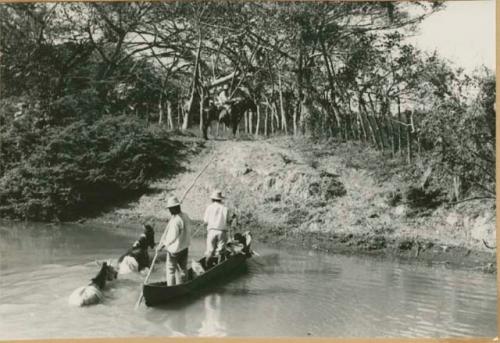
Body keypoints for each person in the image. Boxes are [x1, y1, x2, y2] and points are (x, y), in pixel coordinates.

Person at [157, 196, 191, 286]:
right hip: (185, 247)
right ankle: (184, 284)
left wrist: (162, 245)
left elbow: (172, 237)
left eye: (170, 209)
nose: (169, 211)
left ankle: (170, 288)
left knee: (170, 270)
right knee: (183, 268)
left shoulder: (176, 220)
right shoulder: (185, 216)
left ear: (174, 208)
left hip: (174, 250)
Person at [203, 190, 232, 266]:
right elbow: (228, 221)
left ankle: (207, 267)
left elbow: (205, 220)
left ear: (212, 199)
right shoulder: (225, 208)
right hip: (221, 232)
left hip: (211, 231)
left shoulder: (209, 207)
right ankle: (220, 267)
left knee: (210, 251)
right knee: (221, 252)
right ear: (220, 199)